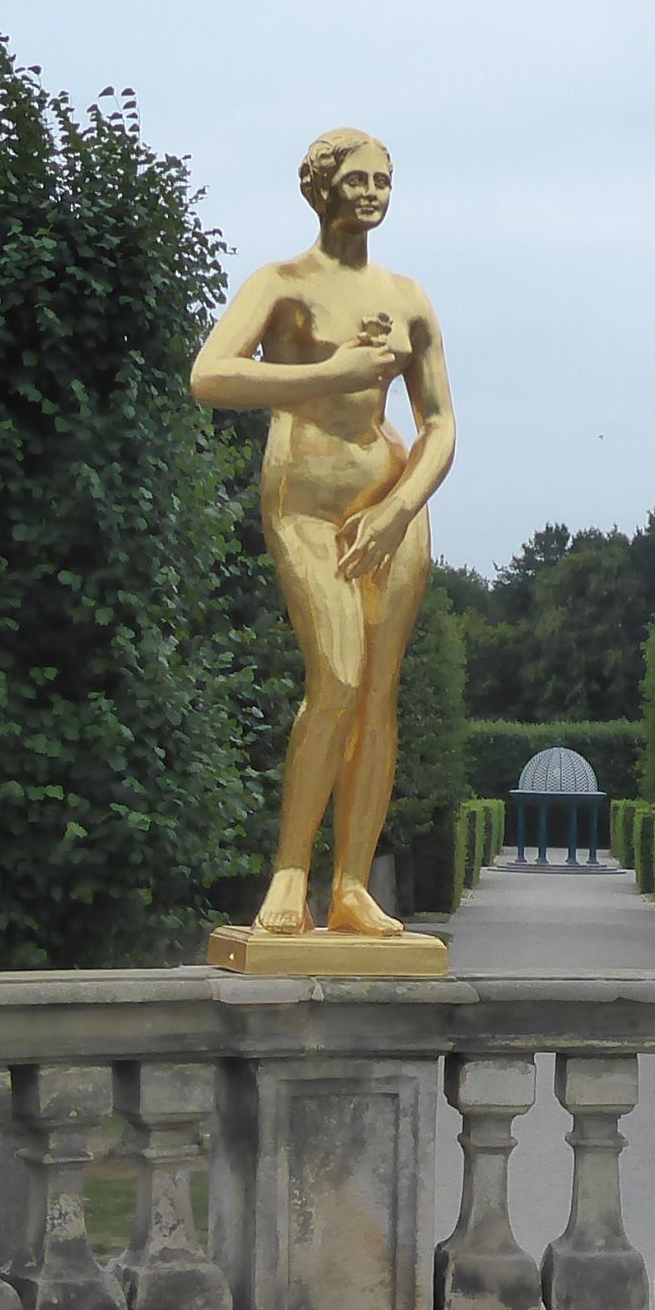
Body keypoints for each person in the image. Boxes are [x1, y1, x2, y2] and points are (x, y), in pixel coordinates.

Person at [191, 130, 456, 938]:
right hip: (305, 500)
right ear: (321, 189)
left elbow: (440, 423)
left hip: (390, 506)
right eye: (358, 180)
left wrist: (401, 505)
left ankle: (349, 885)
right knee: (335, 677)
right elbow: (209, 375)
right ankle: (289, 872)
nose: (374, 192)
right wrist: (328, 375)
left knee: (378, 694)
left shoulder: (408, 297)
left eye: (384, 180)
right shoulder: (280, 283)